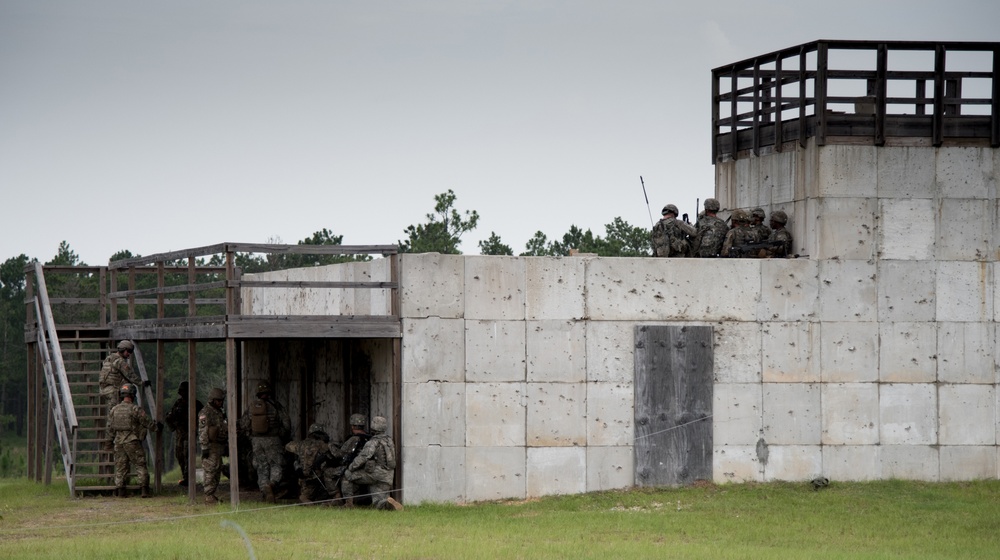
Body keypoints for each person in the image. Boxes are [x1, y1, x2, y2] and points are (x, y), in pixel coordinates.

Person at [238, 381, 290, 503]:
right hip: (273, 439)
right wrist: (282, 434)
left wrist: (250, 436)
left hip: (256, 441)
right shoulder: (276, 406)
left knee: (261, 467)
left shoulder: (251, 407)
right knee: (276, 464)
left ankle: (264, 491)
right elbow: (286, 423)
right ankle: (271, 485)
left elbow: (243, 424)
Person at [106, 383, 160, 498]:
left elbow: (110, 428)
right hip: (132, 440)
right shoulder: (135, 409)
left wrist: (109, 441)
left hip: (118, 441)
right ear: (133, 394)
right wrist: (156, 427)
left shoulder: (114, 410)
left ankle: (120, 491)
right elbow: (146, 421)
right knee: (140, 464)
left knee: (120, 466)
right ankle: (144, 490)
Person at [342, 415, 402, 511]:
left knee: (347, 475)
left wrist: (351, 467)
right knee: (379, 502)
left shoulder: (373, 442)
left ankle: (348, 505)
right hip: (388, 476)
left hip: (375, 475)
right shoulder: (389, 440)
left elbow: (363, 457)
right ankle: (388, 503)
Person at [164, 381, 204, 487]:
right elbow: (170, 416)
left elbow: (203, 418)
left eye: (184, 391)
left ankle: (189, 478)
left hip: (190, 433)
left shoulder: (196, 404)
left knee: (188, 455)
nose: (182, 393)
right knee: (179, 455)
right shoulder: (178, 403)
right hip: (180, 433)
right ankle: (185, 476)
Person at [285, 423, 337, 504]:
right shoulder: (325, 444)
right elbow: (336, 455)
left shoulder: (301, 444)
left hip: (307, 477)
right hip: (323, 478)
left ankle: (311, 503)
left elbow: (288, 446)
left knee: (303, 497)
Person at [330, 413, 371, 501]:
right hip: (368, 469)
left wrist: (330, 446)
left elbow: (340, 454)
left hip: (355, 468)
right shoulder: (370, 438)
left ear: (353, 426)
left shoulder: (354, 439)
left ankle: (338, 499)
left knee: (328, 473)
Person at [198, 387, 228, 504]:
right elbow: (203, 430)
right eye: (218, 400)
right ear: (213, 400)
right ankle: (208, 494)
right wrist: (204, 447)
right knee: (210, 469)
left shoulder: (219, 412)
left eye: (221, 400)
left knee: (217, 469)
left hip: (219, 445)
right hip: (211, 446)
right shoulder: (206, 412)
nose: (220, 403)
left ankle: (212, 493)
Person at [99, 340, 143, 408]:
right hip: (113, 391)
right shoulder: (120, 361)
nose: (129, 354)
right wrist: (142, 383)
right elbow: (130, 375)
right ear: (123, 349)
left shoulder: (109, 358)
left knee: (113, 410)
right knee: (116, 410)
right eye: (129, 351)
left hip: (104, 389)